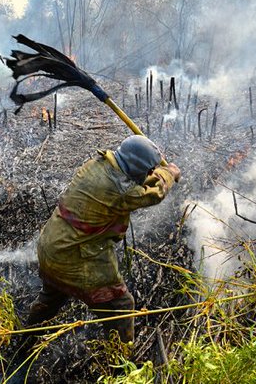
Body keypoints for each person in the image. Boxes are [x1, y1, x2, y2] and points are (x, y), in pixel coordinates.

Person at [25, 135, 181, 343]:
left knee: (52, 297)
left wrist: (156, 171)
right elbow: (153, 194)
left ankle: (25, 340)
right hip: (75, 257)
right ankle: (120, 363)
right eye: (148, 170)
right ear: (136, 168)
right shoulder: (123, 192)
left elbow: (135, 180)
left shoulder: (97, 164)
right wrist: (168, 173)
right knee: (121, 307)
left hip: (51, 245)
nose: (150, 174)